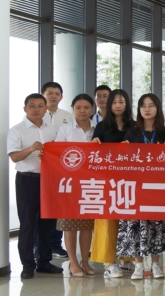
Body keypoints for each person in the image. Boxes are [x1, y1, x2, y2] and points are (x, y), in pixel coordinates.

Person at [118, 93, 165, 280]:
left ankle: (156, 264)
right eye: (143, 106)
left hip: (158, 186)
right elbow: (123, 159)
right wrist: (122, 148)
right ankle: (138, 265)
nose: (147, 109)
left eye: (151, 105)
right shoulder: (132, 132)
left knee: (156, 225)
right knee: (136, 224)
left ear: (158, 108)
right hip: (136, 186)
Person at [8, 93, 63, 279]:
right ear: (25, 109)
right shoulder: (16, 130)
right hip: (27, 180)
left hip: (49, 180)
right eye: (32, 106)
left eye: (40, 106)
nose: (36, 109)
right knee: (27, 224)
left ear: (45, 109)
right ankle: (27, 265)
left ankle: (44, 262)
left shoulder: (52, 130)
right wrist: (31, 149)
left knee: (47, 223)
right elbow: (14, 157)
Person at [91, 89, 135, 279]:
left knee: (128, 219)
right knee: (107, 220)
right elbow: (95, 153)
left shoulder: (134, 126)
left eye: (121, 102)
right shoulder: (102, 126)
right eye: (114, 102)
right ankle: (109, 263)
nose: (118, 105)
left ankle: (127, 258)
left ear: (127, 104)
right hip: (107, 180)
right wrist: (95, 143)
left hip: (129, 180)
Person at [54, 94, 97, 277]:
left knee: (87, 224)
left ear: (92, 109)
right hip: (70, 182)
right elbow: (57, 154)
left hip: (91, 182)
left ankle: (85, 261)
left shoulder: (97, 128)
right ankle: (73, 262)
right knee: (69, 224)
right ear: (73, 109)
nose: (82, 111)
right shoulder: (65, 129)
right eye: (78, 107)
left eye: (86, 107)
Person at [41, 81, 73, 258]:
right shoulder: (36, 114)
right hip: (42, 168)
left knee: (59, 207)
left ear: (61, 97)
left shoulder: (67, 115)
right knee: (42, 208)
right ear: (43, 95)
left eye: (56, 93)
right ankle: (39, 246)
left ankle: (56, 244)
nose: (53, 96)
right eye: (49, 93)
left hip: (63, 170)